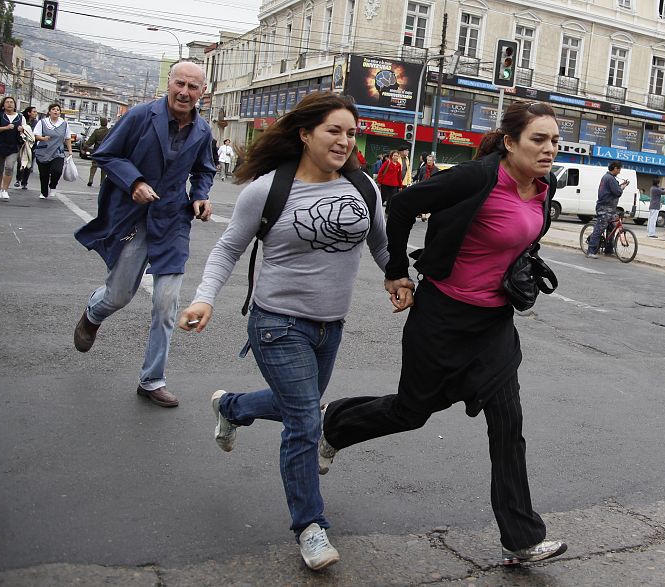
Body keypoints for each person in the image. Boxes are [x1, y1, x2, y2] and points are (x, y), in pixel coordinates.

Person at [319, 101, 567, 567]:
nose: (549, 148)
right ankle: (334, 423)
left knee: (508, 425)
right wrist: (396, 271)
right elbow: (402, 206)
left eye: (555, 140)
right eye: (539, 139)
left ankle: (520, 537)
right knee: (410, 411)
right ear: (510, 142)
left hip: (493, 326)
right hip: (442, 318)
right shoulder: (476, 178)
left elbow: (521, 239)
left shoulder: (543, 187)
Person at [178, 91, 411, 571]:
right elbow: (228, 247)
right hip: (276, 323)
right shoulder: (267, 190)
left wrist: (398, 277)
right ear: (305, 134)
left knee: (297, 405)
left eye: (351, 133)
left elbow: (382, 245)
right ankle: (310, 526)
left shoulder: (364, 186)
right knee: (305, 421)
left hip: (331, 326)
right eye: (334, 131)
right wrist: (204, 297)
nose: (344, 141)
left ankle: (231, 406)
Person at [72, 61, 215, 408]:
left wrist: (200, 196)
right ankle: (94, 313)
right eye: (180, 84)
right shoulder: (140, 116)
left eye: (192, 87)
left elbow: (204, 170)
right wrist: (134, 182)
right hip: (134, 217)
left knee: (167, 304)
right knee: (118, 295)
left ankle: (152, 380)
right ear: (169, 84)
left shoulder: (202, 130)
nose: (184, 92)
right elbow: (106, 154)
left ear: (202, 92)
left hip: (172, 222)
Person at [586, 161, 629, 258]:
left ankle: (609, 250)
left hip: (610, 208)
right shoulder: (610, 178)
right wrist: (623, 186)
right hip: (605, 208)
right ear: (615, 168)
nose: (619, 172)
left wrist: (621, 186)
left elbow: (614, 190)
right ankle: (591, 251)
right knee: (599, 229)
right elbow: (617, 192)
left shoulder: (608, 177)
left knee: (612, 228)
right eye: (619, 169)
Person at [32, 103, 72, 200]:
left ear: (60, 112)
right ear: (49, 112)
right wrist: (43, 138)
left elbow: (67, 138)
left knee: (57, 170)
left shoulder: (64, 124)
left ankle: (53, 185)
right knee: (44, 174)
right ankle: (44, 192)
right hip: (43, 151)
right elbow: (36, 135)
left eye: (57, 110)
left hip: (57, 152)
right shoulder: (42, 122)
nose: (55, 111)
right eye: (53, 109)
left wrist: (70, 151)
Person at [0, 96, 24, 201]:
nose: (9, 104)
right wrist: (6, 127)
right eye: (7, 102)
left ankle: (5, 190)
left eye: (11, 102)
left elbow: (26, 131)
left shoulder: (20, 117)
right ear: (3, 104)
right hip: (0, 145)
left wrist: (22, 130)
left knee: (9, 167)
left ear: (14, 105)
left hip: (13, 146)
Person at [15, 106, 37, 189]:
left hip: (31, 145)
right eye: (34, 112)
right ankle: (18, 179)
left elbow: (35, 133)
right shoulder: (22, 120)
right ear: (29, 113)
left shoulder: (36, 123)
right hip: (21, 143)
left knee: (29, 162)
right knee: (20, 161)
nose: (35, 113)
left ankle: (24, 182)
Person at [84, 117, 110, 187]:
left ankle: (91, 179)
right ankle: (102, 182)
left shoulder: (96, 131)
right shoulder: (109, 132)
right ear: (106, 123)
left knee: (94, 165)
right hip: (106, 151)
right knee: (104, 167)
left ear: (100, 123)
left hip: (97, 150)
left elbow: (90, 141)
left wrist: (85, 147)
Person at [376, 150, 402, 214]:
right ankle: (376, 210)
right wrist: (379, 181)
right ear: (392, 156)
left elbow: (399, 176)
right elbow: (380, 172)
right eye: (395, 155)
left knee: (391, 199)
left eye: (397, 156)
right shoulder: (387, 162)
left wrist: (400, 186)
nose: (396, 157)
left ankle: (387, 212)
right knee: (383, 198)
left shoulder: (399, 165)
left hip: (394, 185)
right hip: (385, 183)